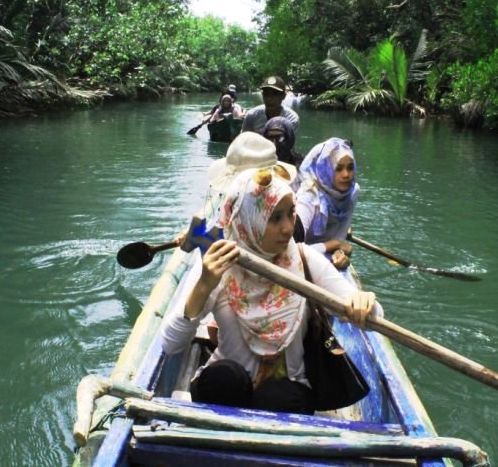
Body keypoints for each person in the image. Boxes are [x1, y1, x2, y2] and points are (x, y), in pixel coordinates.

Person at [161, 167, 380, 414]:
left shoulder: (303, 260)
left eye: (291, 214)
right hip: (227, 394)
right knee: (224, 379)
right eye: (275, 218)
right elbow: (170, 345)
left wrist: (363, 303)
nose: (288, 228)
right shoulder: (219, 263)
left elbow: (374, 318)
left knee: (279, 398)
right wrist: (204, 286)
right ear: (249, 219)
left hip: (286, 398)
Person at [295, 138, 359, 270]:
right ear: (325, 170)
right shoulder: (308, 198)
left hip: (323, 257)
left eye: (350, 168)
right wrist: (333, 245)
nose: (346, 175)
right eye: (338, 169)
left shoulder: (352, 192)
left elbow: (339, 237)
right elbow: (293, 252)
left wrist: (339, 253)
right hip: (299, 261)